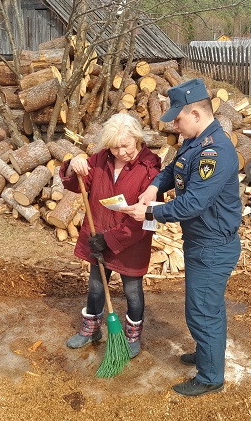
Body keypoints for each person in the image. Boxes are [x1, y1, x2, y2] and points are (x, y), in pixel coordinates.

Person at [121, 78, 242, 397]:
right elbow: (173, 169)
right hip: (201, 243)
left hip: (213, 246)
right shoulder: (196, 140)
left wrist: (149, 213)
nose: (174, 123)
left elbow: (193, 203)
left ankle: (210, 376)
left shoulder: (215, 151)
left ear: (197, 114)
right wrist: (153, 187)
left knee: (202, 311)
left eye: (178, 117)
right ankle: (207, 355)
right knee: (206, 307)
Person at [59, 112, 162, 359]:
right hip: (98, 236)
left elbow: (143, 217)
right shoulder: (101, 159)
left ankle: (133, 334)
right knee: (95, 286)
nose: (120, 153)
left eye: (125, 146)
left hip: (130, 242)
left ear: (136, 138)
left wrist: (110, 239)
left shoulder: (150, 167)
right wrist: (74, 166)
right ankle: (91, 328)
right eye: (114, 147)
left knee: (133, 291)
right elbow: (78, 184)